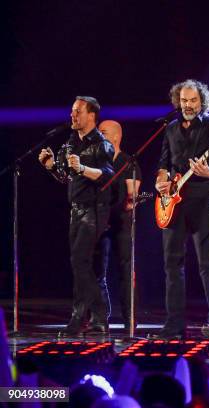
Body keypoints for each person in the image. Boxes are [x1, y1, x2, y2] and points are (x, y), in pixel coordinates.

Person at [154, 79, 209, 339]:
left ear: (202, 101)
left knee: (207, 262)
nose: (188, 105)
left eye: (193, 101)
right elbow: (164, 162)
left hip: (203, 200)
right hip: (174, 202)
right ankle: (174, 324)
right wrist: (160, 182)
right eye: (184, 101)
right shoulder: (171, 127)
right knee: (172, 263)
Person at [38, 96, 115, 335]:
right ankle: (83, 317)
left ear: (91, 115)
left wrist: (82, 168)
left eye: (78, 111)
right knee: (80, 265)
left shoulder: (102, 144)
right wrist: (51, 166)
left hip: (95, 210)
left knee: (80, 261)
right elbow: (66, 177)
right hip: (76, 210)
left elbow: (107, 175)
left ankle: (96, 315)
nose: (73, 115)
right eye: (72, 111)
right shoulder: (71, 143)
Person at [95, 120, 142, 330]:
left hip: (121, 222)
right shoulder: (96, 162)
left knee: (126, 270)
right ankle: (100, 318)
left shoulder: (128, 163)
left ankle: (129, 319)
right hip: (100, 221)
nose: (99, 135)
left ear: (115, 137)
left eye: (102, 132)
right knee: (97, 271)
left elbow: (133, 197)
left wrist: (129, 197)